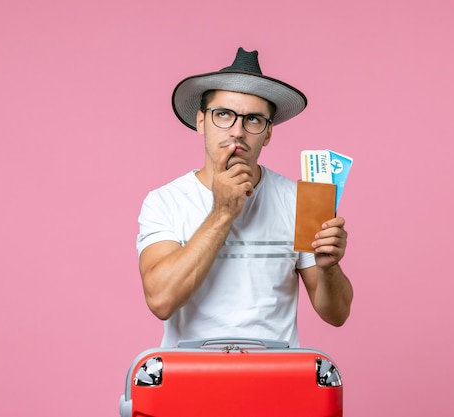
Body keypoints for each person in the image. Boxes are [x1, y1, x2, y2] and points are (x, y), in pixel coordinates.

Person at [137, 47, 353, 347]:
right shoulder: (165, 201)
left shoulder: (298, 199)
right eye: (223, 114)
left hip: (275, 378)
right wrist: (222, 213)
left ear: (268, 133)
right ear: (201, 122)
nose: (237, 131)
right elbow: (161, 300)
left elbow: (337, 314)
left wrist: (330, 268)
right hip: (191, 379)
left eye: (253, 119)